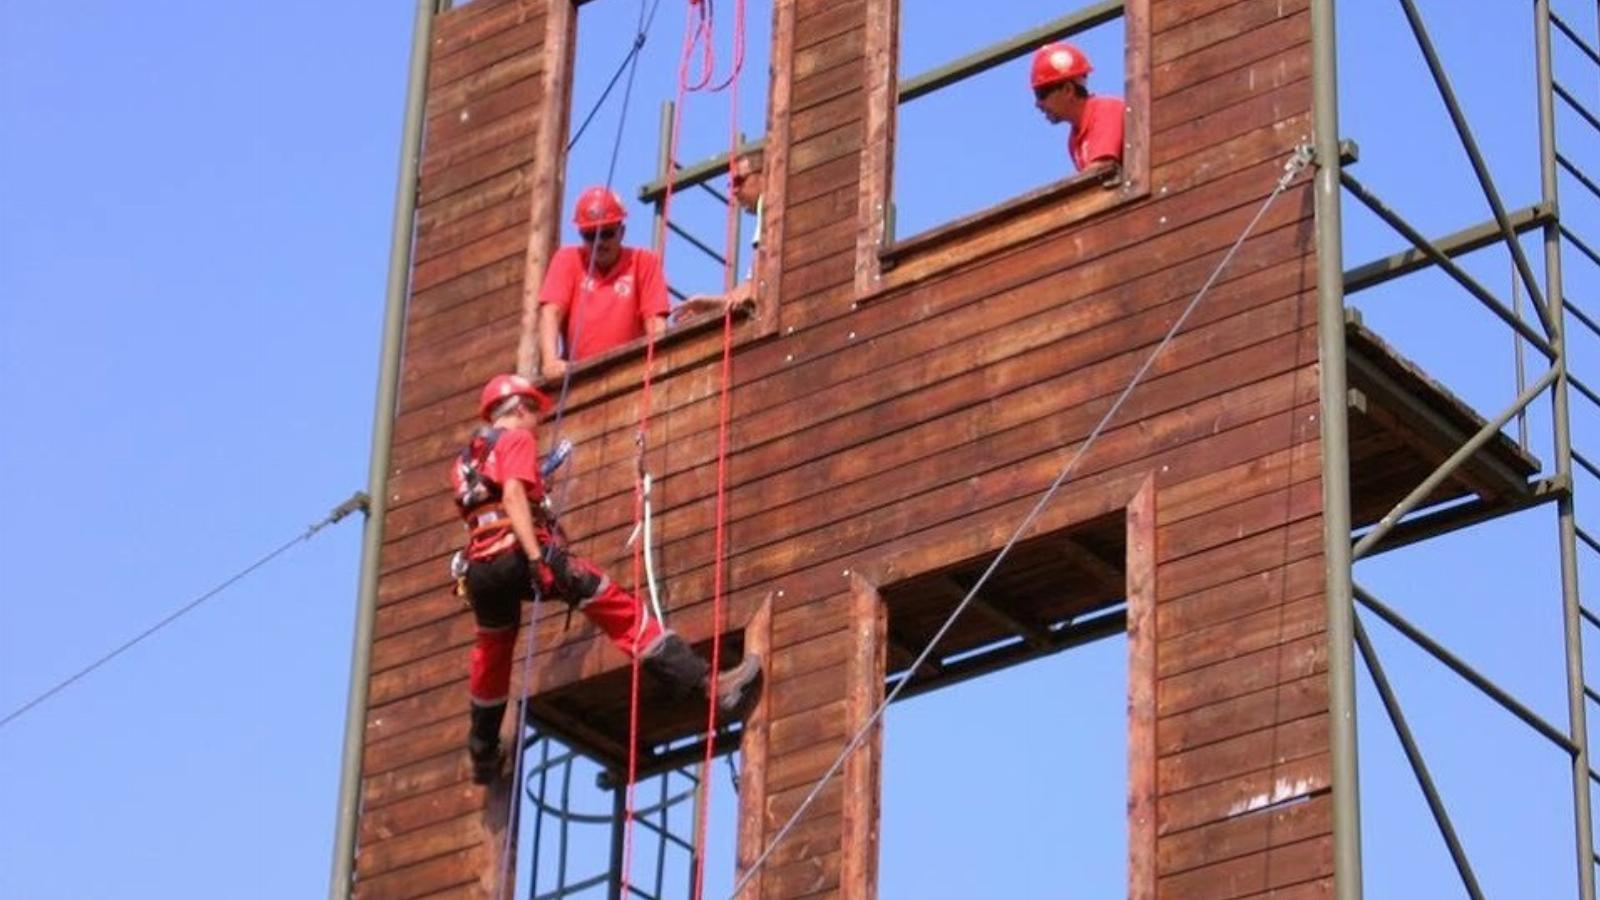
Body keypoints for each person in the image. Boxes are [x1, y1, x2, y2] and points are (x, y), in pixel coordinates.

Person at [452, 373, 763, 784]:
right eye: (535, 416)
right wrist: (534, 558)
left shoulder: (467, 459)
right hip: (517, 552)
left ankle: (483, 750)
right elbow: (512, 497)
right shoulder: (516, 441)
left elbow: (486, 506)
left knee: (492, 652)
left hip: (480, 567)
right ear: (521, 409)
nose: (538, 427)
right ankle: (708, 685)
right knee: (611, 603)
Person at [538, 187, 670, 381]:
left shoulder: (644, 262)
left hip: (631, 375)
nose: (599, 242)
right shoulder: (567, 259)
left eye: (607, 233)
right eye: (590, 235)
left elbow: (656, 324)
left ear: (622, 232)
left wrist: (655, 364)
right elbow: (551, 311)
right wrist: (550, 361)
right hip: (578, 380)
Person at [676, 148, 764, 322]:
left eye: (739, 181)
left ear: (765, 174)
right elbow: (751, 285)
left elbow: (756, 286)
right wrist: (711, 305)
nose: (734, 191)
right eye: (732, 184)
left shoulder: (767, 202)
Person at [1030, 42, 1125, 173]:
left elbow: (1101, 170)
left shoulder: (1106, 110)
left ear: (1068, 90)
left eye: (1041, 94)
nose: (1038, 104)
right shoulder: (1073, 140)